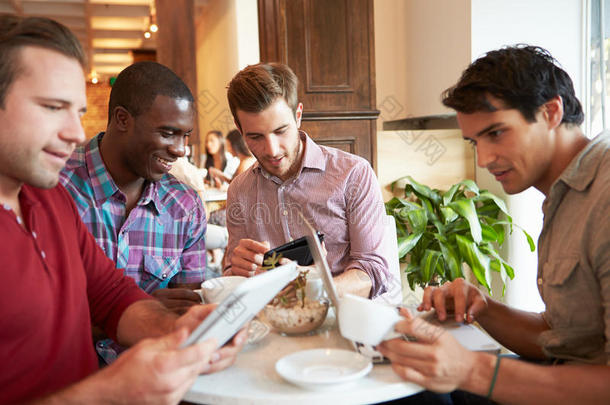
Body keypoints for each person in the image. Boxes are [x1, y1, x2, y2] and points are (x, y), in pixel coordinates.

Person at [0, 15, 244, 405]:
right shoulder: (61, 187)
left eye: (78, 113)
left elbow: (111, 296)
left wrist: (180, 328)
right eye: (51, 107)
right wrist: (110, 392)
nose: (76, 134)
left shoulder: (47, 200)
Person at [377, 45, 610, 404]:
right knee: (410, 384)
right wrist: (483, 306)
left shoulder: (604, 195)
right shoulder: (565, 194)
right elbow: (562, 337)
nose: (483, 159)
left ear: (550, 112)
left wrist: (472, 370)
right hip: (559, 375)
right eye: (474, 142)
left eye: (496, 133)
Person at [223, 62, 397, 301]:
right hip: (272, 323)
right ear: (239, 129)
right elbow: (233, 276)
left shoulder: (353, 174)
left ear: (298, 115)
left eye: (281, 131)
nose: (272, 150)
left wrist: (315, 288)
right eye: (255, 136)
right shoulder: (238, 191)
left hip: (343, 321)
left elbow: (373, 271)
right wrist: (238, 268)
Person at [60, 61, 205, 314]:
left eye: (186, 135)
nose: (180, 149)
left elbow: (187, 314)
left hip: (156, 351)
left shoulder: (185, 206)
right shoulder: (57, 188)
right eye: (168, 133)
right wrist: (137, 311)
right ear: (122, 119)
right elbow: (36, 317)